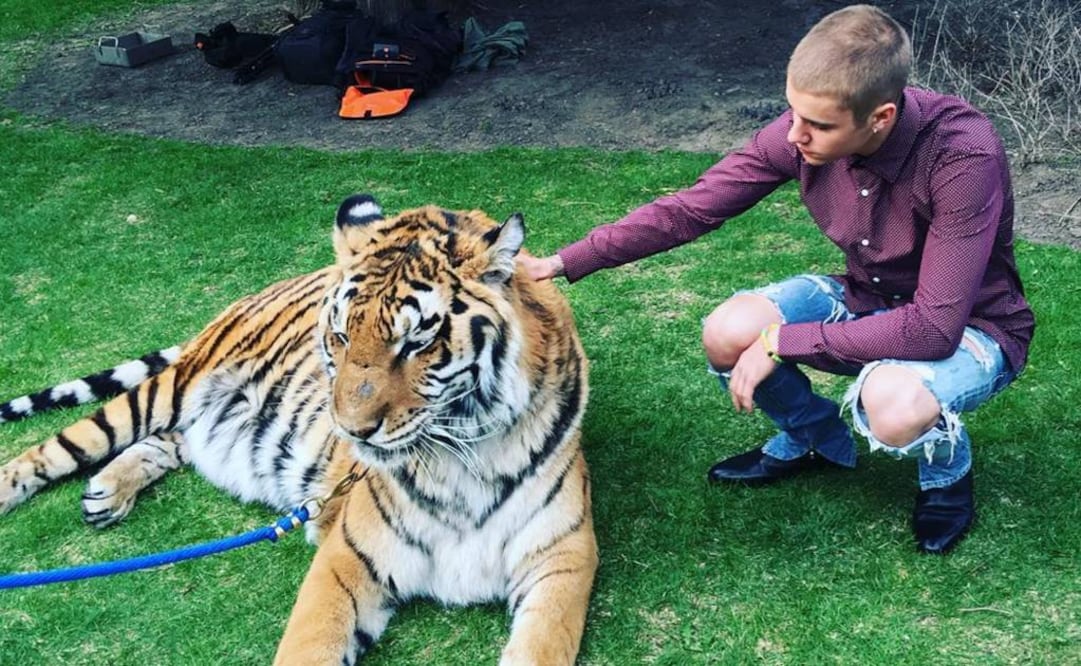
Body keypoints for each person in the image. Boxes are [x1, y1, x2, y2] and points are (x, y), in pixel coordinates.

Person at [516, 4, 1034, 554]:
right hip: (868, 297)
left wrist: (782, 341)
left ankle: (947, 474)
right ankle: (815, 439)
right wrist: (563, 262)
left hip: (972, 327)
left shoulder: (961, 156)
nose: (794, 135)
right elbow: (691, 209)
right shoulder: (803, 131)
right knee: (727, 331)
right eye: (793, 113)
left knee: (893, 402)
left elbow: (932, 329)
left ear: (880, 118)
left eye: (819, 125)